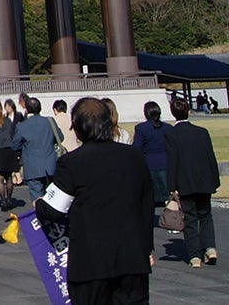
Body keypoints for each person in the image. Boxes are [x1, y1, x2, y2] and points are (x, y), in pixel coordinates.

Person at [36, 97, 153, 304]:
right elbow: (146, 206)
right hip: (132, 258)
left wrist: (39, 204)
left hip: (91, 263)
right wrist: (147, 248)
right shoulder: (135, 157)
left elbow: (53, 209)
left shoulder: (72, 163)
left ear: (78, 128)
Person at [165, 96, 221, 268]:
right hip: (204, 180)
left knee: (190, 218)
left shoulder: (171, 134)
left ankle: (194, 256)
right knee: (205, 215)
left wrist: (171, 186)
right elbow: (210, 157)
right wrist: (215, 179)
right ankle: (210, 248)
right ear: (188, 111)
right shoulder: (202, 132)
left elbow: (172, 161)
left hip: (185, 181)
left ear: (173, 113)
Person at [11, 95, 63, 203]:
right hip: (50, 165)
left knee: (37, 200)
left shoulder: (22, 126)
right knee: (52, 198)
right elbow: (60, 138)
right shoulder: (49, 121)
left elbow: (15, 145)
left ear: (26, 109)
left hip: (32, 166)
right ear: (40, 108)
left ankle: (40, 219)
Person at [131, 101, 171, 207]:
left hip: (149, 164)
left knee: (150, 196)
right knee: (168, 196)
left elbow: (137, 148)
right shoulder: (168, 128)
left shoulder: (141, 128)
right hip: (165, 163)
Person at [0, 98, 21, 209]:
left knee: (0, 178)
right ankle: (9, 199)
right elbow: (12, 134)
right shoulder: (7, 121)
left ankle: (3, 200)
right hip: (9, 150)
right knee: (9, 176)